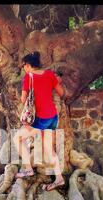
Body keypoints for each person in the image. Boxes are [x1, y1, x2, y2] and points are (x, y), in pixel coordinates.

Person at [13, 51, 65, 191]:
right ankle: (59, 178)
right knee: (49, 149)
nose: (23, 68)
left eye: (24, 65)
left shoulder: (28, 78)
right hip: (53, 117)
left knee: (17, 138)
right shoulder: (49, 75)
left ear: (29, 65)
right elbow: (61, 93)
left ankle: (28, 169)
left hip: (41, 119)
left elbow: (23, 100)